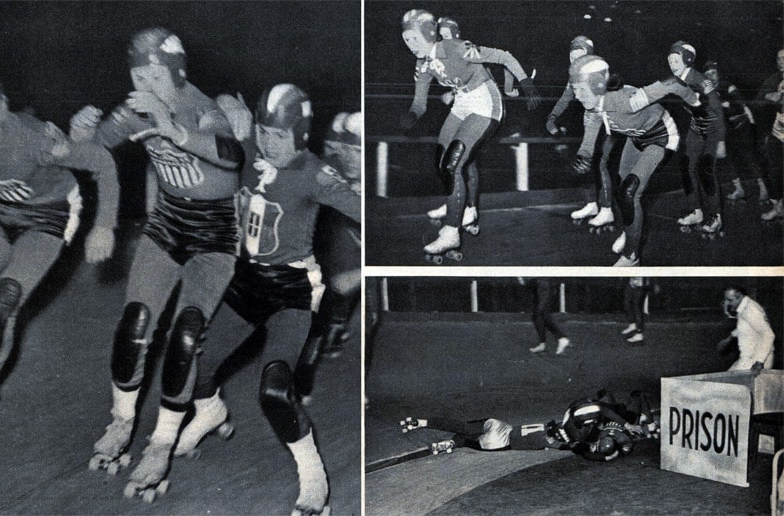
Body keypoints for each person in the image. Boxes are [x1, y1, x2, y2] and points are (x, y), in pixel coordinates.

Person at [67, 27, 247, 498]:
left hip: (214, 234)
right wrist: (82, 134)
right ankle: (122, 421)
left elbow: (231, 154)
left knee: (186, 334)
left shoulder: (206, 107)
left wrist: (174, 129)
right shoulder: (135, 108)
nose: (144, 82)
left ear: (177, 72)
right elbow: (99, 148)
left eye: (154, 73)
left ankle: (162, 441)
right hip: (167, 223)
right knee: (135, 323)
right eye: (137, 73)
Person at [176, 83, 360, 516]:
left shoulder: (314, 173)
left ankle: (313, 476)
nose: (268, 143)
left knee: (274, 390)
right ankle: (211, 411)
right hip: (245, 286)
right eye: (263, 132)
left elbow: (361, 210)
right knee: (192, 367)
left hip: (290, 293)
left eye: (278, 136)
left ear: (299, 135)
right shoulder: (246, 152)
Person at [0, 62, 120, 453]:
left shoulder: (34, 139)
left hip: (50, 215)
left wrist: (105, 226)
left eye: (0, 103)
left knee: (3, 301)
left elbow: (101, 162)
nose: (1, 114)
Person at [398, 9, 540, 259]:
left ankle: (451, 231)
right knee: (442, 164)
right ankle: (463, 206)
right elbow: (419, 103)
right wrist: (411, 116)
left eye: (414, 39)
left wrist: (526, 83)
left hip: (485, 101)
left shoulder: (455, 47)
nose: (410, 46)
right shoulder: (422, 63)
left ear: (429, 35)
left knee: (453, 164)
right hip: (462, 102)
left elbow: (504, 57)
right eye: (406, 40)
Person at [571, 55, 700, 266]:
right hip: (636, 138)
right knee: (624, 192)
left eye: (581, 90)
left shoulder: (627, 99)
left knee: (629, 193)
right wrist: (583, 155)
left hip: (661, 138)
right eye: (574, 89)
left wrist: (695, 102)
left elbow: (673, 83)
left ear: (598, 85)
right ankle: (631, 231)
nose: (577, 96)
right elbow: (590, 136)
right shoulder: (592, 107)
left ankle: (631, 256)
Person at [295, 111, 362, 401]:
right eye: (342, 150)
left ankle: (337, 322)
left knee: (345, 284)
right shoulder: (330, 171)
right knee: (322, 300)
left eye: (355, 151)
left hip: (361, 252)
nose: (347, 157)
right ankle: (304, 374)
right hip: (335, 245)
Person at [400, 391, 650, 462]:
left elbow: (577, 435)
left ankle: (422, 422)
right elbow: (575, 445)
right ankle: (452, 444)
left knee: (465, 427)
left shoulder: (563, 421)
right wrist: (599, 452)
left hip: (502, 427)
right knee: (466, 438)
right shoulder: (556, 441)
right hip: (500, 443)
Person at [546, 36, 614, 231]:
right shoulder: (574, 74)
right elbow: (566, 97)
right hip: (592, 116)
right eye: (572, 56)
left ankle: (607, 209)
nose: (575, 61)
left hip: (610, 115)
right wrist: (552, 117)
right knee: (584, 160)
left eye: (580, 56)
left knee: (602, 162)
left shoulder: (599, 72)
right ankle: (592, 203)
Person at [660, 42, 727, 238]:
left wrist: (721, 140)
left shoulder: (701, 80)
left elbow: (717, 108)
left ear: (687, 60)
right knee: (686, 168)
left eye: (676, 60)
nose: (672, 64)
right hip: (696, 128)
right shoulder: (674, 80)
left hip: (712, 128)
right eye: (669, 60)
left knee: (706, 171)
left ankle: (715, 216)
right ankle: (696, 211)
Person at [702, 60, 770, 205]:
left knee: (749, 157)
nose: (711, 76)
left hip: (741, 126)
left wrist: (726, 106)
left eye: (713, 73)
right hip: (726, 129)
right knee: (727, 159)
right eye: (707, 74)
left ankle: (763, 188)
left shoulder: (728, 86)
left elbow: (739, 105)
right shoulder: (707, 92)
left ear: (718, 73)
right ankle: (739, 189)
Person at [717, 285, 775, 375]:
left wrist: (759, 362)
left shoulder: (750, 310)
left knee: (727, 384)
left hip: (755, 361)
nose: (727, 303)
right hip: (747, 358)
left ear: (740, 296)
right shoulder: (744, 306)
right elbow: (745, 326)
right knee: (726, 380)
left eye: (730, 300)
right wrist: (729, 338)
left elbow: (768, 334)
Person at [756, 49, 784, 222]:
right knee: (773, 171)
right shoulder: (773, 79)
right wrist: (768, 96)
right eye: (779, 58)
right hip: (778, 134)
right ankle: (778, 206)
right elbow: (758, 100)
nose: (781, 61)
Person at [520, 278, 571, 355]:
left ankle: (561, 338)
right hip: (541, 284)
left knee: (540, 315)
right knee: (538, 316)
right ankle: (543, 344)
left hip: (544, 284)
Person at [622, 277, 649, 345]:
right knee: (627, 302)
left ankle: (639, 334)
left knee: (637, 307)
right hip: (632, 280)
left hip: (641, 283)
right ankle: (632, 324)